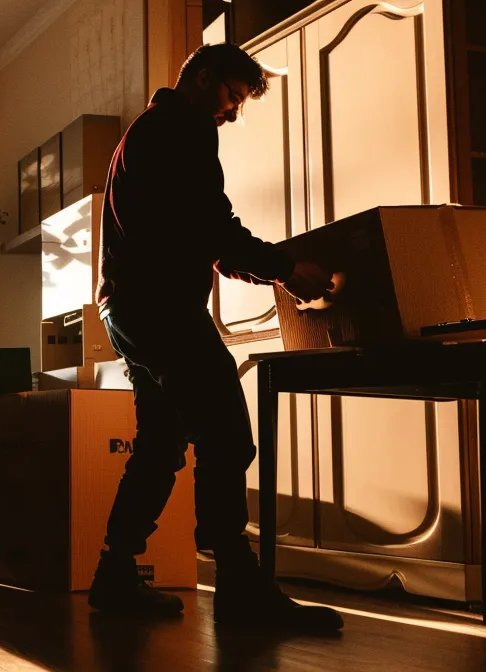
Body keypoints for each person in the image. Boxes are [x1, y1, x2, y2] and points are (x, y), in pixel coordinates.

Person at [87, 43, 342, 632]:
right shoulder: (183, 128)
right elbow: (212, 228)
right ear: (204, 80)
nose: (232, 113)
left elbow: (203, 234)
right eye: (232, 97)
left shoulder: (148, 131)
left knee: (161, 442)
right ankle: (239, 586)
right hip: (161, 308)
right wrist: (283, 267)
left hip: (127, 307)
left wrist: (267, 265)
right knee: (225, 430)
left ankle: (115, 572)